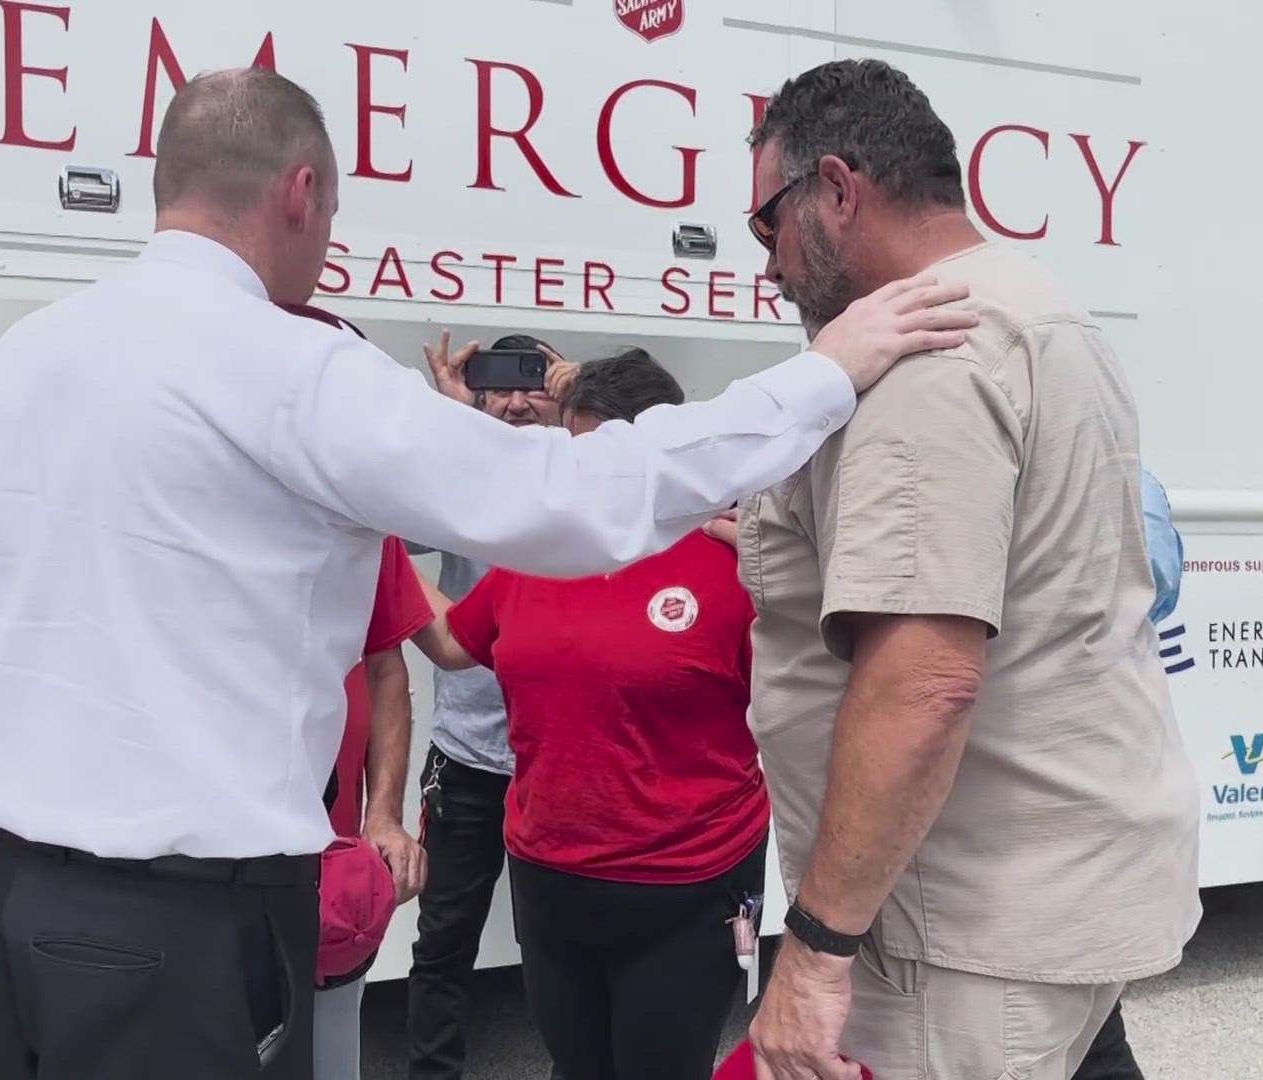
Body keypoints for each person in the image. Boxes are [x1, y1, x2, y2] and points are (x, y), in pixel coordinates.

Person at [0, 65, 976, 1080]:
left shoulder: (21, 357)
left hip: (3, 902)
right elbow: (570, 497)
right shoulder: (284, 365)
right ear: (300, 194)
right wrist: (821, 375)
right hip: (169, 926)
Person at [734, 58, 1201, 1080]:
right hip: (1052, 896)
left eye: (767, 223)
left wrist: (812, 953)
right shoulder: (1041, 309)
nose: (765, 262)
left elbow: (925, 683)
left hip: (956, 934)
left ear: (840, 190)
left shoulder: (925, 353)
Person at [407, 349, 767, 1080]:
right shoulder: (542, 551)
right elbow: (450, 642)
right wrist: (372, 560)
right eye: (572, 454)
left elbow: (812, 710)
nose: (582, 478)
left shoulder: (731, 561)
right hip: (550, 877)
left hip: (686, 886)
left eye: (602, 456)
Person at [275, 301, 433, 1080]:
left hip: (323, 866)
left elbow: (388, 668)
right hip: (198, 866)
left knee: (328, 1054)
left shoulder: (361, 522)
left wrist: (382, 813)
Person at [400, 330, 564, 1080]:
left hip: (558, 760)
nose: (517, 399)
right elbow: (392, 530)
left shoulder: (586, 475)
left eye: (536, 381)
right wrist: (454, 422)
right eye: (499, 384)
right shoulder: (459, 469)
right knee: (443, 941)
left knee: (563, 943)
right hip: (468, 760)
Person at [1071, 466, 1184, 1080]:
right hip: (1117, 778)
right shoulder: (1130, 476)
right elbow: (1157, 596)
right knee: (1092, 1027)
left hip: (1045, 801)